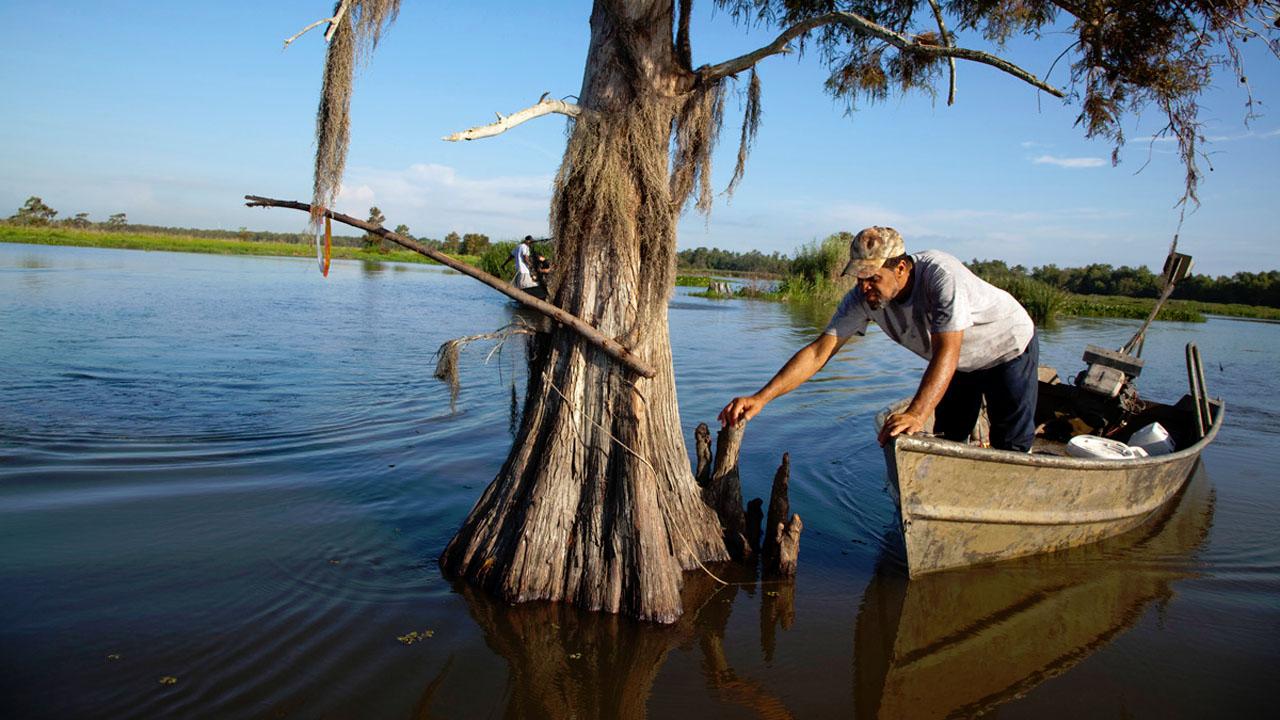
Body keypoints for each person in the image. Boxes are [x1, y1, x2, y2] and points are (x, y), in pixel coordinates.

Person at [719, 226, 1039, 452]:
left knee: (1009, 447)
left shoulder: (941, 277)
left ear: (901, 268)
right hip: (960, 364)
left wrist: (916, 413)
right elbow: (819, 353)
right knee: (949, 439)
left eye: (873, 278)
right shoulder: (863, 299)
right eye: (859, 278)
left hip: (1006, 348)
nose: (864, 287)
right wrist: (760, 398)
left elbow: (947, 353)